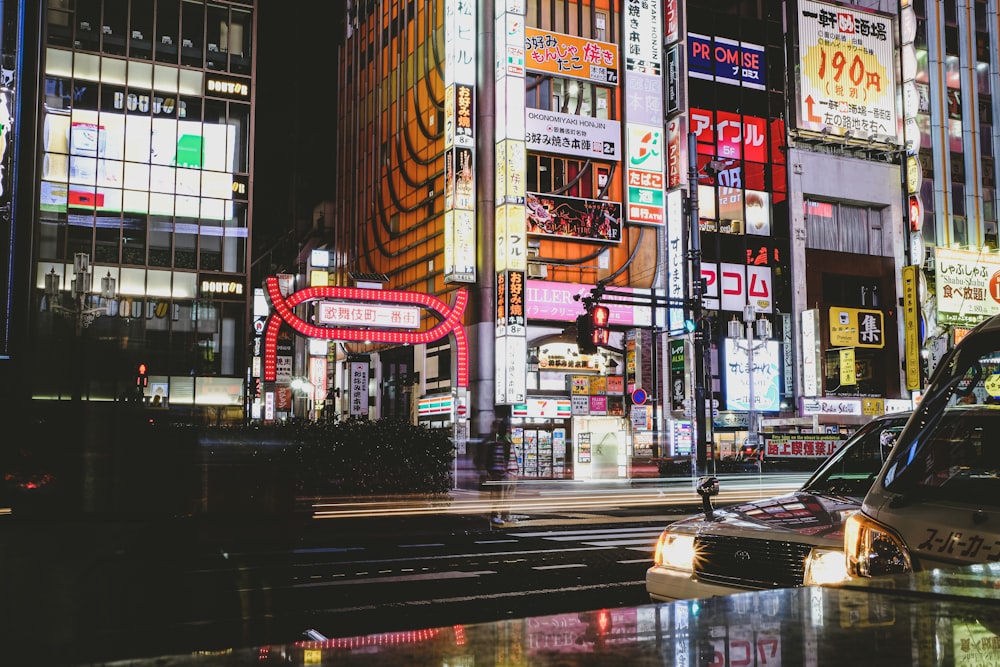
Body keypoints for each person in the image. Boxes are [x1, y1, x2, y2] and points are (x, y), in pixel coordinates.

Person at [486, 418, 518, 526]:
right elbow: (504, 459)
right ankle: (497, 515)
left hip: (507, 474)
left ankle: (504, 515)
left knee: (505, 496)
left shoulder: (502, 443)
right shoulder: (503, 444)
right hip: (504, 474)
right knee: (500, 496)